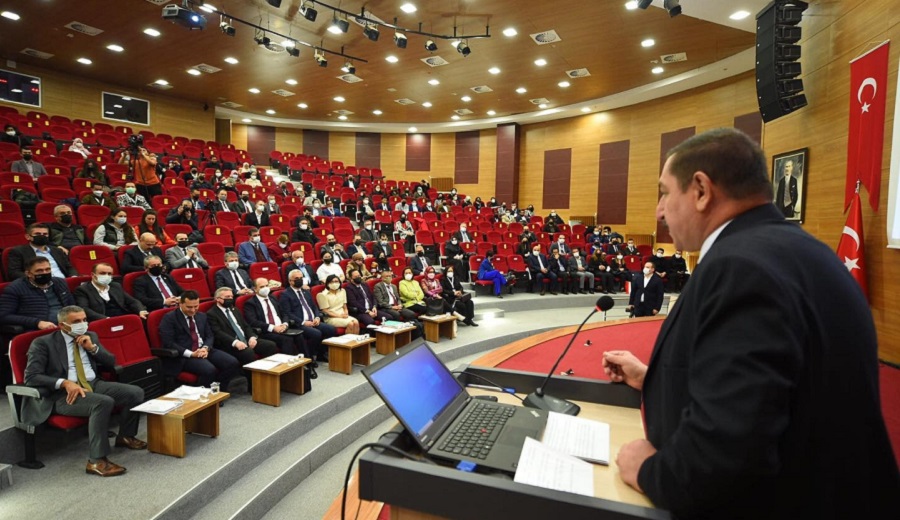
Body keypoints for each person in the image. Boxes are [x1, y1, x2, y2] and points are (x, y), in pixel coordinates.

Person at [603, 128, 900, 518]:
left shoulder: (740, 268)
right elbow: (780, 388)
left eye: (664, 192)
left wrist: (648, 469)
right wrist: (656, 379)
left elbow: (725, 458)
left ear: (701, 190)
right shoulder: (802, 250)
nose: (659, 210)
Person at [23, 305, 146, 476]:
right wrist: (64, 382)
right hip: (62, 394)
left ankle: (125, 436)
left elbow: (110, 361)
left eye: (84, 320)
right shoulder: (43, 343)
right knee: (103, 402)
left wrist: (92, 348)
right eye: (76, 321)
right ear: (62, 325)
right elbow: (31, 377)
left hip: (92, 383)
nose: (82, 324)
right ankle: (96, 461)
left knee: (135, 392)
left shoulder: (90, 336)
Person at [159, 290, 241, 391]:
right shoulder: (169, 318)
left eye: (196, 306)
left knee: (232, 363)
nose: (193, 310)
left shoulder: (202, 316)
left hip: (203, 349)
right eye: (189, 307)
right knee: (209, 370)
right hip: (185, 355)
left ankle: (218, 391)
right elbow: (169, 343)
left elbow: (209, 335)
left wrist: (205, 348)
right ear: (180, 304)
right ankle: (204, 397)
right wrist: (192, 354)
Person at [206, 287, 277, 390]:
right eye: (227, 297)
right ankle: (253, 386)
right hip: (229, 344)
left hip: (245, 340)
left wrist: (252, 337)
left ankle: (267, 376)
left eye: (231, 296)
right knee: (248, 353)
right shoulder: (211, 314)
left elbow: (246, 326)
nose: (230, 299)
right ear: (218, 299)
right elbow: (218, 333)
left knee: (270, 345)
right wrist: (235, 342)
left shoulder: (234, 309)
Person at [0, 257, 75, 332]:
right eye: (39, 271)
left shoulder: (60, 282)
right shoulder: (15, 288)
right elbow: (4, 316)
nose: (45, 273)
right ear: (28, 273)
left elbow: (72, 306)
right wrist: (37, 323)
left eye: (48, 269)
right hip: (39, 330)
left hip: (67, 325)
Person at [242, 278, 307, 360]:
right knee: (286, 339)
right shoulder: (250, 303)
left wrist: (285, 324)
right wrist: (273, 328)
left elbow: (284, 313)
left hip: (282, 327)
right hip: (266, 331)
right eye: (262, 287)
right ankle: (288, 366)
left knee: (299, 335)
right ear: (255, 289)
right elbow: (253, 322)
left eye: (266, 286)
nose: (265, 288)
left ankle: (307, 364)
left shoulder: (273, 298)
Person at [280, 270, 335, 363]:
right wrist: (303, 322)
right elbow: (287, 313)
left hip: (313, 320)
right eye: (296, 279)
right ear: (290, 281)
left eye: (301, 278)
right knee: (316, 334)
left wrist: (317, 317)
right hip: (299, 323)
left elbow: (314, 307)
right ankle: (309, 357)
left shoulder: (306, 291)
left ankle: (321, 353)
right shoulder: (285, 294)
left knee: (331, 329)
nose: (299, 280)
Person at [74, 263, 148, 321]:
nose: (106, 276)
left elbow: (132, 301)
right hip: (102, 320)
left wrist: (140, 310)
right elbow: (84, 309)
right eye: (102, 273)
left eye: (109, 274)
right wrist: (106, 319)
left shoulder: (116, 286)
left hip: (123, 316)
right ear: (93, 275)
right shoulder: (83, 290)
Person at [7, 223, 77, 280]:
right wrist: (34, 279)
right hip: (38, 284)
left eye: (45, 234)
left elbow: (69, 267)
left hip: (63, 282)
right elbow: (14, 273)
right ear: (28, 237)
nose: (42, 236)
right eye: (38, 234)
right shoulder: (18, 251)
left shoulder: (57, 250)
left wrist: (74, 277)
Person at [373, 270, 424, 337]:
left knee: (411, 313)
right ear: (382, 278)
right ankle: (399, 335)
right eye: (387, 276)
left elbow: (398, 298)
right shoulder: (378, 286)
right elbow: (381, 302)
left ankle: (412, 333)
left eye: (390, 276)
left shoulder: (393, 286)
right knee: (396, 314)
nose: (389, 278)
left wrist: (399, 305)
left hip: (397, 306)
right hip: (387, 307)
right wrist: (392, 307)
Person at [346, 268, 392, 333]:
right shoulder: (349, 288)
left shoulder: (364, 284)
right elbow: (354, 303)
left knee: (389, 317)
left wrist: (374, 307)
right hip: (361, 312)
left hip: (371, 309)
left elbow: (373, 296)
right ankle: (374, 341)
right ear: (351, 279)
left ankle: (386, 337)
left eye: (359, 276)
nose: (358, 277)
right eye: (356, 277)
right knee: (371, 322)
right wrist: (367, 311)